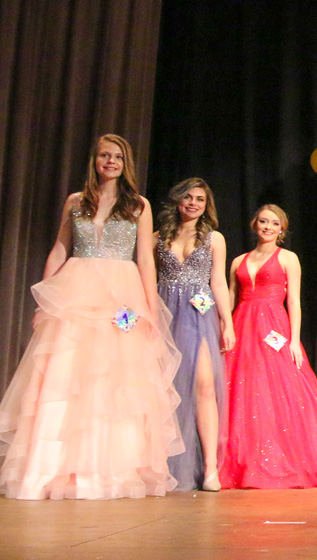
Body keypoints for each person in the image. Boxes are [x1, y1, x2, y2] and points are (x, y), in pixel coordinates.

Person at [0, 134, 182, 499]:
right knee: (65, 374)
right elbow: (60, 248)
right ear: (95, 160)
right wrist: (45, 300)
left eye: (118, 157)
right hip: (76, 292)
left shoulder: (138, 205)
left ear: (125, 164)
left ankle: (106, 472)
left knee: (114, 378)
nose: (110, 162)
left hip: (121, 296)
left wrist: (148, 309)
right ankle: (53, 470)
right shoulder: (76, 201)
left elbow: (145, 260)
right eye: (104, 155)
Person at [221, 204, 317, 489]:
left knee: (275, 390)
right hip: (242, 326)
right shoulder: (238, 260)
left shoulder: (288, 258)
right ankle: (242, 461)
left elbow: (294, 302)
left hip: (273, 327)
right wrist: (224, 326)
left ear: (282, 229)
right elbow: (231, 295)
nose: (268, 227)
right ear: (254, 224)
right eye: (263, 222)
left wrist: (293, 339)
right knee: (241, 389)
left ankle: (275, 459)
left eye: (274, 223)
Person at [154, 178, 233, 492]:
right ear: (177, 200)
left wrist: (227, 322)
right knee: (166, 388)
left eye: (200, 199)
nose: (193, 203)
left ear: (206, 205)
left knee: (204, 385)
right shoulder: (157, 237)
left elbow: (218, 283)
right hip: (164, 312)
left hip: (199, 315)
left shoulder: (214, 238)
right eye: (188, 197)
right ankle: (162, 464)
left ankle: (210, 468)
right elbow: (143, 275)